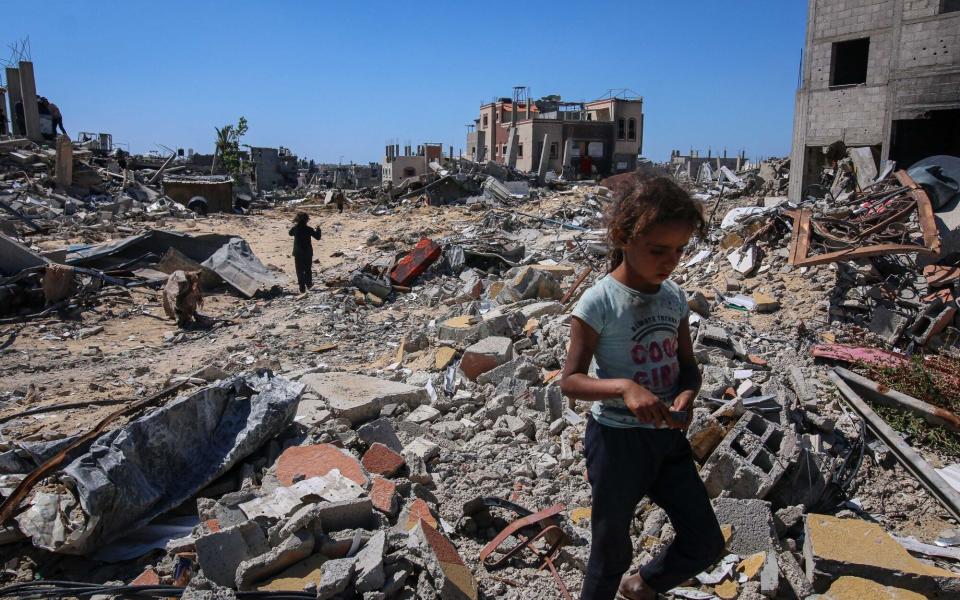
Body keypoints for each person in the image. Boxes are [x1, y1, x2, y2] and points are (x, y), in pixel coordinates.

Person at [559, 176, 724, 600]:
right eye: (658, 250)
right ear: (623, 237)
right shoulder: (598, 302)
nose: (670, 261)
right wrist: (625, 388)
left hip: (667, 440)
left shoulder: (673, 298)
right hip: (616, 445)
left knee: (706, 541)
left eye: (679, 250)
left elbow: (688, 369)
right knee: (609, 554)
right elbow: (571, 382)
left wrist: (687, 395)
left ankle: (644, 585)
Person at [288, 212, 321, 294]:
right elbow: (318, 237)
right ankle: (309, 284)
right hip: (307, 252)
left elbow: (290, 233)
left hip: (298, 253)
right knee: (307, 269)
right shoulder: (309, 229)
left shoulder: (295, 229)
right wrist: (318, 229)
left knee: (299, 270)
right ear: (306, 220)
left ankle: (302, 288)